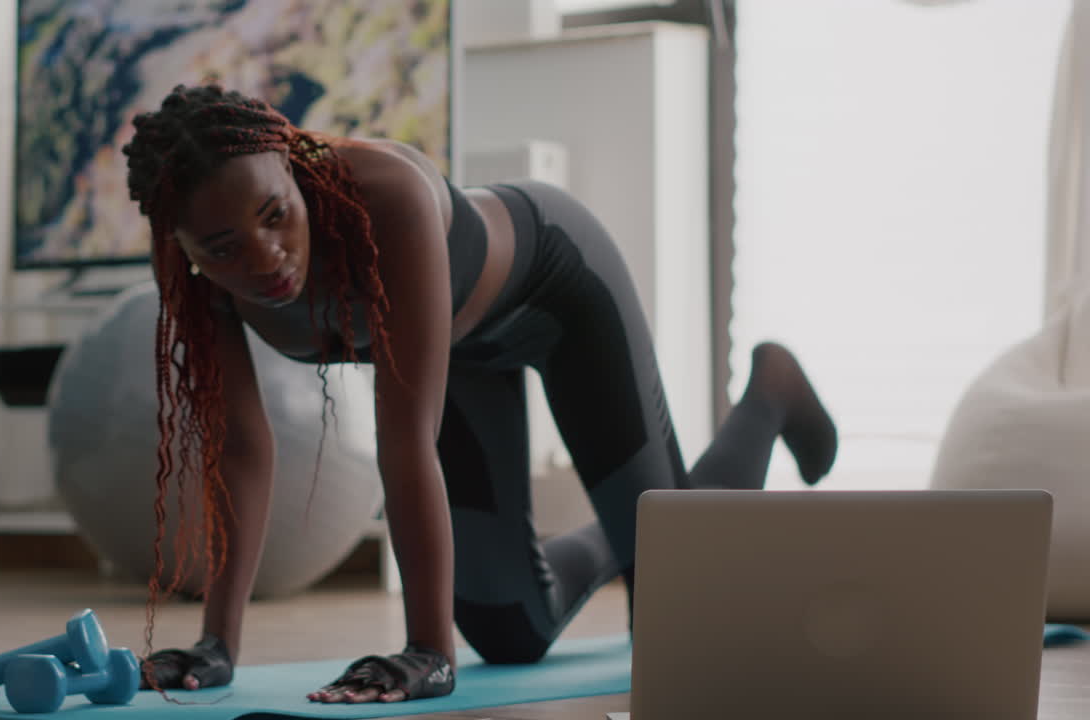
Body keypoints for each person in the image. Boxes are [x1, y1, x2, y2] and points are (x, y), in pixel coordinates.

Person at [120, 84, 838, 705]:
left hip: (561, 293)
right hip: (464, 352)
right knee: (512, 632)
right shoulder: (193, 274)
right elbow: (243, 449)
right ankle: (637, 532)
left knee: (678, 623)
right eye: (223, 247)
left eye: (275, 215)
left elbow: (405, 441)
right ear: (183, 245)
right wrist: (217, 643)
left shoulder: (381, 197)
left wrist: (427, 651)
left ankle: (769, 393)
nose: (265, 257)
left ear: (291, 166)